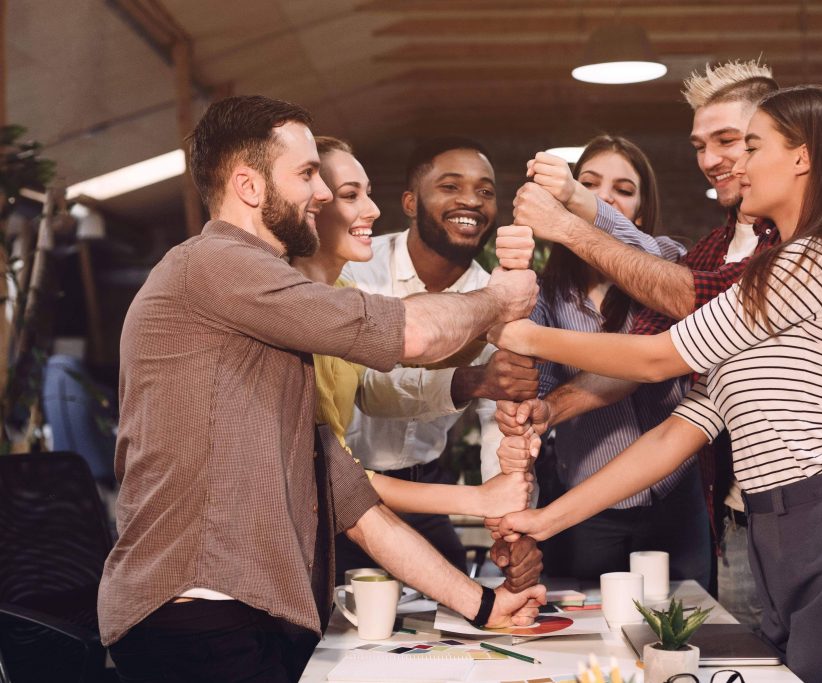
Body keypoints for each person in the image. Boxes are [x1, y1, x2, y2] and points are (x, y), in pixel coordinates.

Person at [489, 85, 822, 683]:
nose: (736, 166)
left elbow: (655, 359)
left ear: (802, 157)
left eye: (752, 146)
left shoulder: (817, 261)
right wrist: (547, 521)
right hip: (781, 539)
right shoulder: (766, 268)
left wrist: (523, 334)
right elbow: (676, 433)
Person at [99, 95, 544, 683]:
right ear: (249, 186)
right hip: (197, 615)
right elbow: (406, 333)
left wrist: (483, 605)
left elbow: (352, 501)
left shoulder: (264, 320)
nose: (324, 192)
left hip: (246, 616)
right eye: (308, 174)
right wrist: (499, 298)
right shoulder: (215, 264)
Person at [497, 60, 781, 624]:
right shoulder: (553, 288)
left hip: (690, 495)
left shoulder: (696, 261)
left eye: (621, 192)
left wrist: (576, 209)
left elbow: (658, 350)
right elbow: (616, 377)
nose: (711, 158)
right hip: (602, 495)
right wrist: (534, 407)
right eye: (703, 144)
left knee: (696, 631)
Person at [293, 135, 542, 590]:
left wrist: (509, 523)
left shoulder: (494, 294)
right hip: (334, 496)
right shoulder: (352, 267)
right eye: (450, 186)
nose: (470, 199)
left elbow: (497, 425)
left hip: (421, 490)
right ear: (410, 201)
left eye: (485, 191)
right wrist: (470, 380)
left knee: (457, 614)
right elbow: (375, 383)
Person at [517, 134, 710, 585]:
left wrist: (577, 200)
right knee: (590, 634)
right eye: (590, 183)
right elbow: (537, 391)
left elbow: (655, 356)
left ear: (640, 213)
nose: (603, 197)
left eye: (623, 190)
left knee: (688, 625)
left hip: (676, 495)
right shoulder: (544, 293)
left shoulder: (669, 259)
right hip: (587, 503)